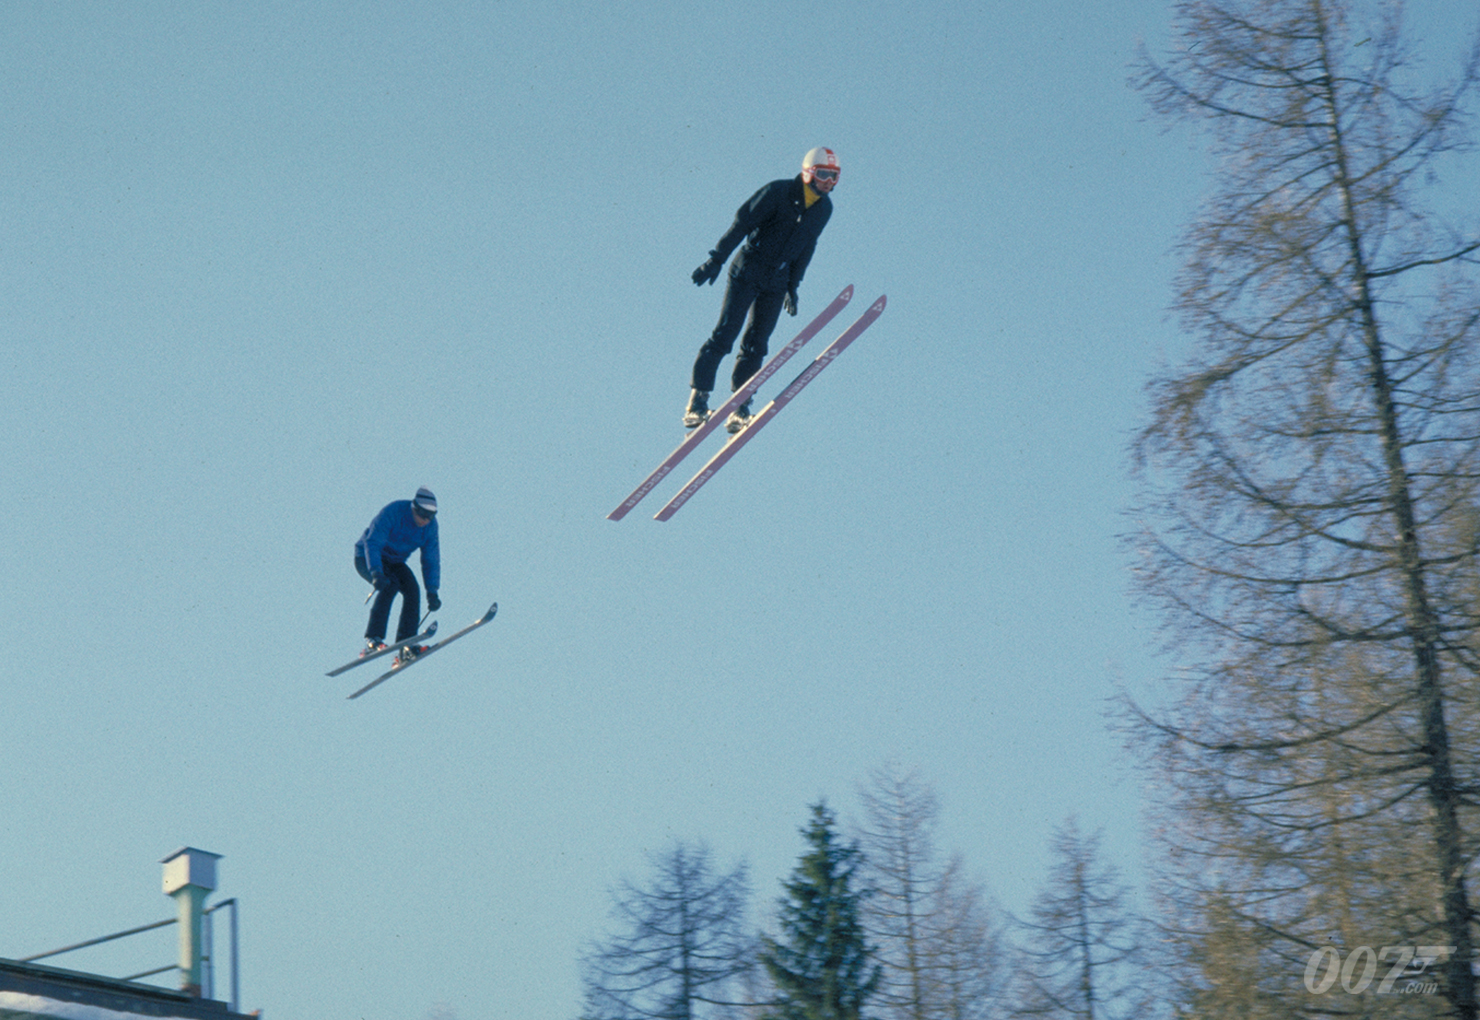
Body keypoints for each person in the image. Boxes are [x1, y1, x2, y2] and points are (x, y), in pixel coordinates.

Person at [687, 147, 839, 432]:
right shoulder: (778, 192)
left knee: (757, 344)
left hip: (777, 279)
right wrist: (716, 259)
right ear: (808, 173)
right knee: (725, 335)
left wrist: (793, 285)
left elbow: (807, 247)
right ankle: (698, 400)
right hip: (749, 269)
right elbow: (742, 223)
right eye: (823, 174)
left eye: (834, 177)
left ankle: (740, 406)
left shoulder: (823, 209)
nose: (828, 182)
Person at [354, 487, 441, 663]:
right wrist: (376, 572)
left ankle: (406, 643)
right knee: (389, 585)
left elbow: (431, 559)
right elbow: (373, 542)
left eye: (430, 516)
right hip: (368, 558)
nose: (425, 520)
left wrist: (432, 591)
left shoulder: (430, 527)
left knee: (412, 590)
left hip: (394, 561)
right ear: (414, 508)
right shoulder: (394, 512)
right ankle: (373, 639)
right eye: (423, 515)